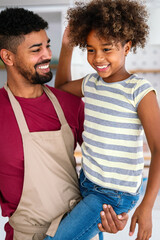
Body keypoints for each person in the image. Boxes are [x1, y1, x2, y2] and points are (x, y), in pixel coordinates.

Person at [0, 7, 129, 240]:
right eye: (36, 50)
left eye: (47, 45)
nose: (47, 55)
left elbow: (109, 163)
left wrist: (115, 211)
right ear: (8, 57)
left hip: (79, 230)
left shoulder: (69, 104)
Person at [44, 0, 160, 240]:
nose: (97, 58)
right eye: (90, 49)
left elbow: (159, 147)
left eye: (107, 49)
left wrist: (146, 205)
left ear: (127, 48)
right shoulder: (92, 83)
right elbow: (62, 88)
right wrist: (67, 47)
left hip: (113, 194)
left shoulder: (139, 90)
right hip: (87, 180)